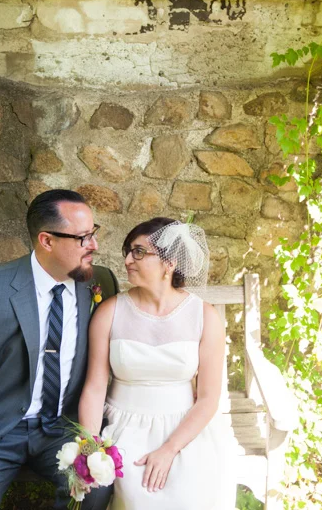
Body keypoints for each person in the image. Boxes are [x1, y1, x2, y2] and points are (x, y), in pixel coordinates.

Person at [0, 189, 118, 510]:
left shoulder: (98, 282)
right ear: (46, 241)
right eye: (83, 238)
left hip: (64, 428)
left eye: (94, 233)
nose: (94, 246)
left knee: (96, 490)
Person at [78, 217, 237, 509]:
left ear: (170, 262)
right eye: (128, 250)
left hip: (186, 429)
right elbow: (95, 387)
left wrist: (169, 449)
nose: (127, 260)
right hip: (124, 428)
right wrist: (91, 448)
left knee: (191, 491)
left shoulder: (205, 316)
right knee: (137, 495)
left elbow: (208, 398)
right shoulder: (109, 313)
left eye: (138, 251)